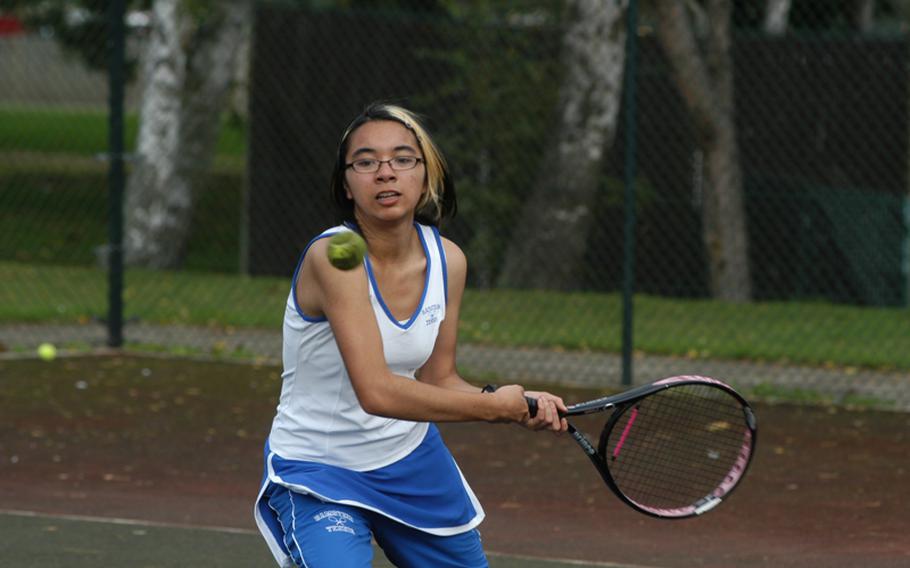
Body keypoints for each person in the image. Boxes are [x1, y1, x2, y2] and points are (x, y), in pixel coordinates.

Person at [254, 102, 568, 568]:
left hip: (410, 462)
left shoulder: (448, 261)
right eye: (366, 162)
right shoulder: (336, 257)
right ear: (346, 182)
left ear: (426, 174)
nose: (385, 173)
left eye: (403, 159)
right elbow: (377, 391)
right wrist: (491, 409)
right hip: (319, 471)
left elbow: (439, 378)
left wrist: (510, 403)